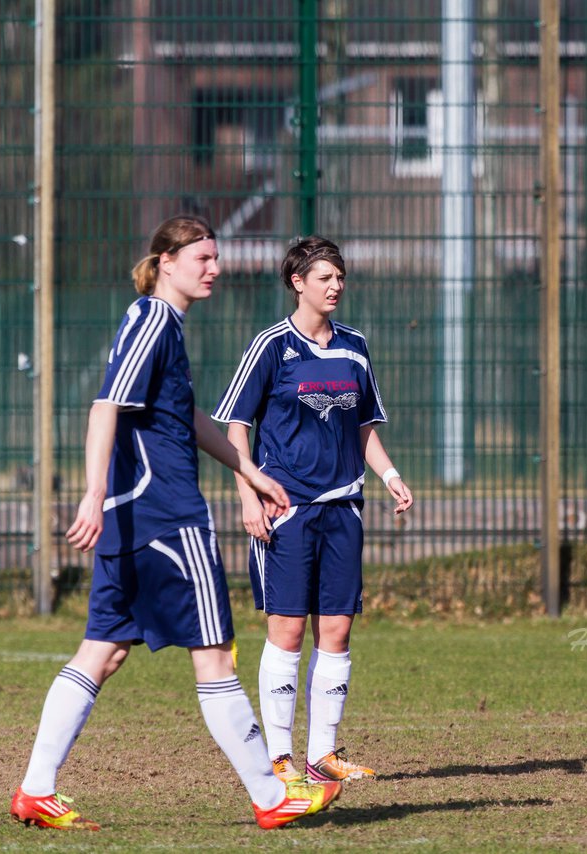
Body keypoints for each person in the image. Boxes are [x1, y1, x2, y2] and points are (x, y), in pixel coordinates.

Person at [9, 216, 342, 832]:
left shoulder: (165, 326)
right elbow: (106, 404)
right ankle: (272, 795)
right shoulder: (153, 319)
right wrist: (90, 491)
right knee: (215, 655)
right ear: (166, 260)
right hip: (165, 518)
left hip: (133, 521)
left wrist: (251, 472)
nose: (213, 268)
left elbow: (184, 417)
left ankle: (35, 790)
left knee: (101, 653)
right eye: (202, 258)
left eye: (216, 258)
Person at [212, 236, 413, 786]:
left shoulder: (354, 346)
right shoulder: (272, 346)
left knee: (338, 629)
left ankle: (321, 756)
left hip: (344, 506)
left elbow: (364, 428)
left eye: (340, 276)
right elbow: (235, 425)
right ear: (297, 282)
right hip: (286, 507)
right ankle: (278, 756)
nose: (336, 286)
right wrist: (248, 494)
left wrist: (391, 476)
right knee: (286, 630)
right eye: (324, 277)